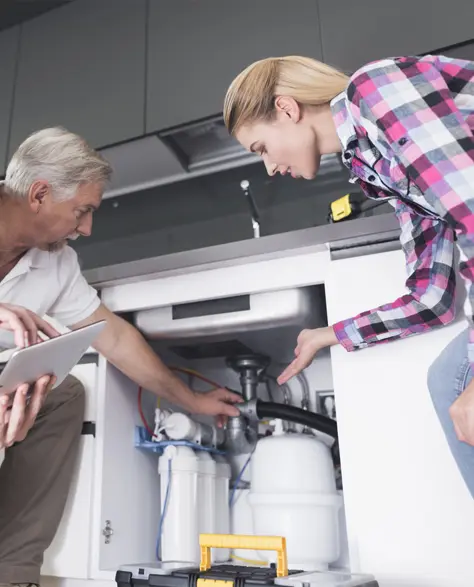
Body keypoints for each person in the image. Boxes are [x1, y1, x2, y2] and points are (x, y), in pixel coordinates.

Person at [0, 127, 242, 586]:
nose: (87, 228)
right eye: (82, 211)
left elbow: (114, 338)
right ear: (39, 194)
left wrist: (189, 400)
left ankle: (10, 571)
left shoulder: (57, 262)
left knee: (61, 392)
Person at [223, 54, 474, 496]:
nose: (269, 168)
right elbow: (433, 298)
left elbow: (472, 212)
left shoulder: (374, 90)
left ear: (286, 109)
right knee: (447, 378)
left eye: (261, 148)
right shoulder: (370, 163)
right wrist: (331, 334)